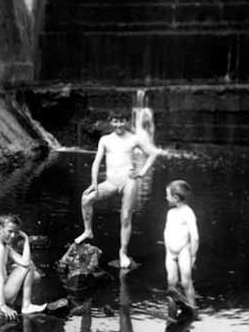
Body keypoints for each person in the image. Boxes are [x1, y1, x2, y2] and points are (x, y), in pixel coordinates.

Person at [74, 111, 161, 268]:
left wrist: (141, 172)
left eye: (122, 121)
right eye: (115, 121)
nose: (119, 124)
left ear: (127, 121)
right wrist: (94, 183)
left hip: (129, 181)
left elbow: (153, 153)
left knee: (126, 216)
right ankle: (88, 231)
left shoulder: (134, 138)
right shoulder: (105, 140)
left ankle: (123, 252)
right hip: (111, 182)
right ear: (111, 122)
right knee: (86, 199)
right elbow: (96, 162)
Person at [0, 214, 47, 319]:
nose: (13, 236)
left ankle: (20, 301)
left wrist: (26, 240)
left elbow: (24, 261)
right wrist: (2, 306)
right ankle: (26, 305)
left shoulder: (5, 246)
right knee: (30, 266)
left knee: (36, 276)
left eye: (16, 232)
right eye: (10, 231)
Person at [164, 179, 199, 311]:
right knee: (171, 283)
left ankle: (192, 307)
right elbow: (167, 230)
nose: (166, 197)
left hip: (184, 251)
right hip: (170, 252)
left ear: (175, 198)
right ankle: (172, 311)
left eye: (167, 195)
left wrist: (193, 255)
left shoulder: (188, 212)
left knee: (186, 282)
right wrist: (168, 249)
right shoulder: (171, 213)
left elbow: (195, 236)